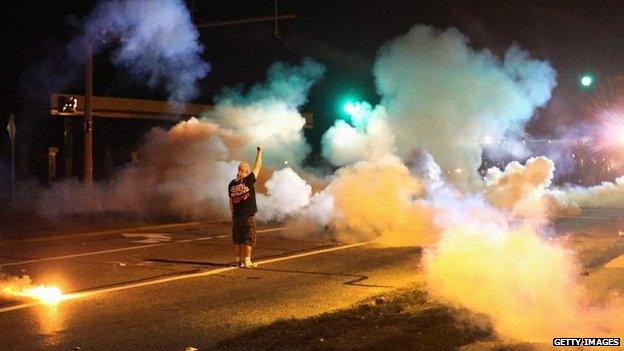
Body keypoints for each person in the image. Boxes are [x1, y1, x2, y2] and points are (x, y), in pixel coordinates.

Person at [228, 146, 263, 268]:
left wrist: (233, 213)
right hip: (248, 216)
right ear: (247, 172)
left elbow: (231, 201)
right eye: (247, 171)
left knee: (237, 239)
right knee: (249, 238)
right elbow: (257, 167)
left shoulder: (232, 184)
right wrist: (260, 152)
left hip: (236, 217)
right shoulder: (248, 181)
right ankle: (247, 261)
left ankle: (238, 261)